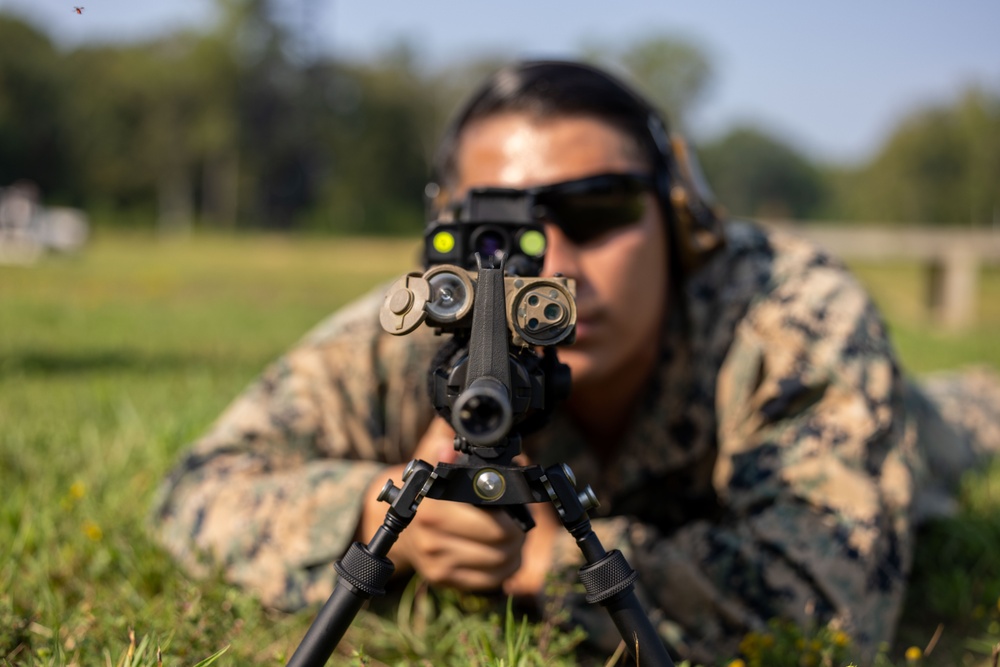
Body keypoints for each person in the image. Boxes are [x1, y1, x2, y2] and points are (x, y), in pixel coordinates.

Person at [151, 60, 1000, 664]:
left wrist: (543, 567)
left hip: (924, 432)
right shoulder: (421, 320)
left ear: (679, 218)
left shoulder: (786, 312)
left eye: (597, 212)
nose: (549, 265)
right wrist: (371, 513)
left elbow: (831, 601)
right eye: (498, 232)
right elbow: (196, 488)